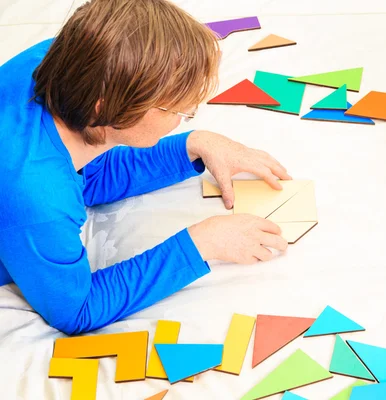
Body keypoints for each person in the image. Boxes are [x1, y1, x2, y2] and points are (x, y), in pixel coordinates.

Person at [0, 0, 290, 335]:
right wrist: (201, 244)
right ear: (107, 106)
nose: (184, 116)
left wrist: (190, 145)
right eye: (175, 109)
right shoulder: (37, 199)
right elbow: (78, 310)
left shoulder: (60, 61)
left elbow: (83, 174)